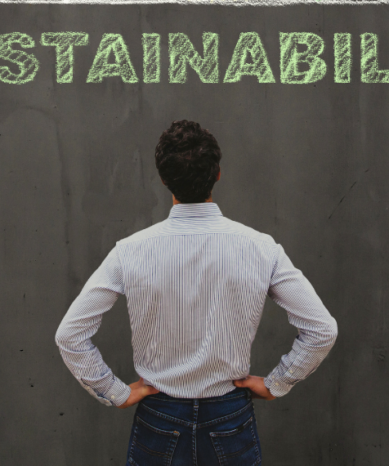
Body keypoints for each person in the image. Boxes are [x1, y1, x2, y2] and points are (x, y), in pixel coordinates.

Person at [55, 120, 338, 466]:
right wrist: (277, 383)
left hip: (159, 418)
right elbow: (322, 330)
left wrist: (115, 392)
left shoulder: (130, 251)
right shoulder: (261, 248)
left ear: (163, 179)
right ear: (217, 174)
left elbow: (70, 335)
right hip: (229, 416)